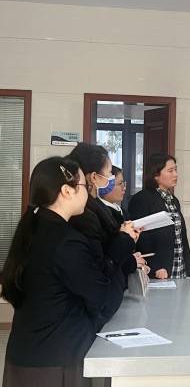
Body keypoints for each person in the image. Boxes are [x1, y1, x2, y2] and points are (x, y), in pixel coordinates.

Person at [1, 157, 125, 387]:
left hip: (27, 355)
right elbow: (104, 300)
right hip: (54, 363)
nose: (89, 192)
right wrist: (119, 257)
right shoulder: (66, 241)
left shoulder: (36, 228)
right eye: (84, 186)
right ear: (67, 191)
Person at [67, 143, 141, 283]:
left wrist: (127, 236)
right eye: (109, 172)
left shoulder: (98, 205)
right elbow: (100, 264)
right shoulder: (83, 214)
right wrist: (124, 238)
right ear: (94, 177)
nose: (111, 177)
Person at [128, 153, 190, 279]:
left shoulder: (173, 200)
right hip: (159, 270)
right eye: (170, 170)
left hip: (179, 267)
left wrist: (188, 269)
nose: (175, 174)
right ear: (156, 175)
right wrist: (155, 265)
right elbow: (141, 238)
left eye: (176, 169)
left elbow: (181, 237)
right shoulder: (142, 199)